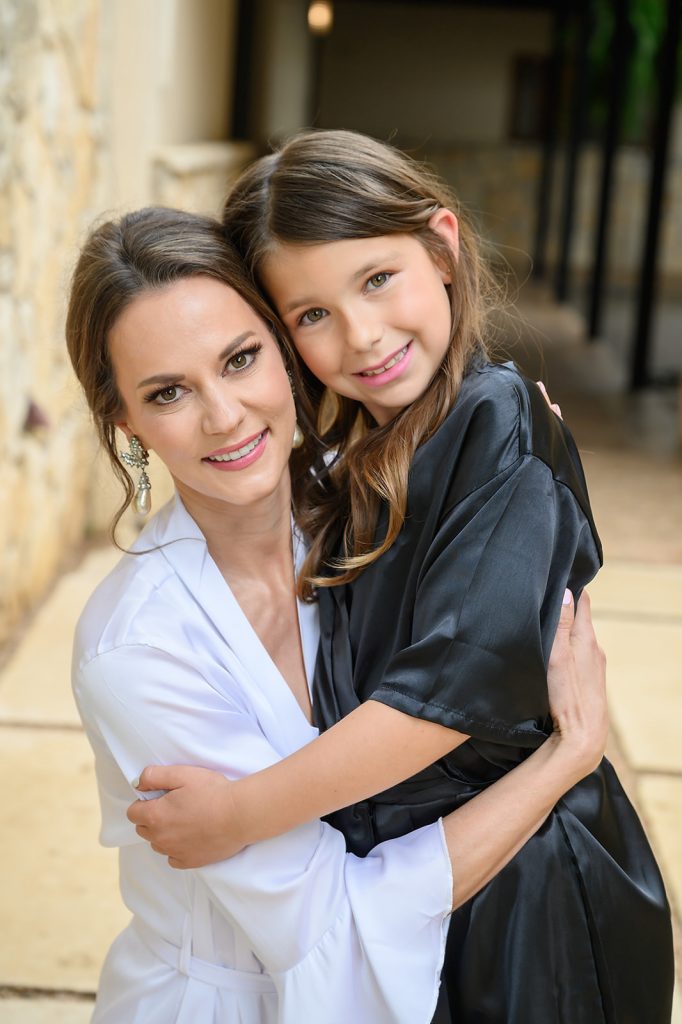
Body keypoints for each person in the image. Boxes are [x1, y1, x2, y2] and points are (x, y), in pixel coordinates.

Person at [130, 132, 674, 1024]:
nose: (363, 334)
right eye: (310, 315)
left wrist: (240, 815)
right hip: (423, 890)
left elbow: (442, 695)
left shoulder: (496, 421)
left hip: (529, 897)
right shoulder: (370, 447)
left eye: (377, 278)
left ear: (444, 246)